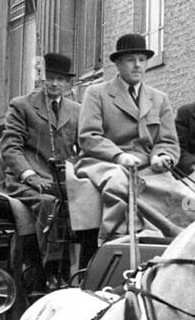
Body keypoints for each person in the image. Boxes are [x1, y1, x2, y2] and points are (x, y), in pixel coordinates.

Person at [76, 33, 183, 243]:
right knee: (118, 182)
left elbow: (168, 141)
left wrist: (160, 156)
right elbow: (89, 136)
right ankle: (113, 240)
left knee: (177, 192)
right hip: (102, 162)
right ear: (118, 64)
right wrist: (118, 156)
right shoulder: (97, 93)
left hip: (146, 165)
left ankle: (166, 242)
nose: (137, 66)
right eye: (130, 60)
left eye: (142, 60)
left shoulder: (159, 99)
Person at [1, 51, 82, 286]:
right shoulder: (22, 106)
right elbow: (10, 148)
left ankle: (81, 272)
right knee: (48, 204)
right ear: (42, 78)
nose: (55, 84)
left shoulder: (77, 110)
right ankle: (48, 272)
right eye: (50, 78)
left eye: (61, 79)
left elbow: (85, 147)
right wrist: (30, 175)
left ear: (68, 84)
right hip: (26, 182)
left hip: (63, 181)